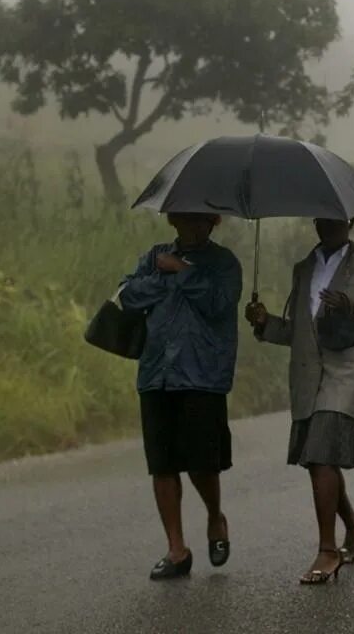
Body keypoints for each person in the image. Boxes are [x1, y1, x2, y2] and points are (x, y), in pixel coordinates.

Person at [244, 218, 354, 584]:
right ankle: (353, 523)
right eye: (322, 217)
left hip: (344, 376)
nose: (329, 224)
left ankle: (328, 550)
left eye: (337, 217)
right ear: (315, 221)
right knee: (319, 459)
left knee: (320, 456)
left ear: (351, 221)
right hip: (305, 377)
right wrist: (265, 323)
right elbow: (298, 332)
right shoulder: (303, 269)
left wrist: (352, 313)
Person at [119, 212, 242, 580]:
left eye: (202, 220)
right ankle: (176, 548)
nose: (195, 226)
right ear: (173, 220)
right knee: (162, 464)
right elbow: (127, 294)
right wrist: (164, 273)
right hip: (157, 373)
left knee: (203, 463)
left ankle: (215, 518)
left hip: (202, 374)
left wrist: (182, 270)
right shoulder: (154, 256)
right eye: (187, 220)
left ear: (213, 222)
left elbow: (220, 304)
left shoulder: (223, 262)